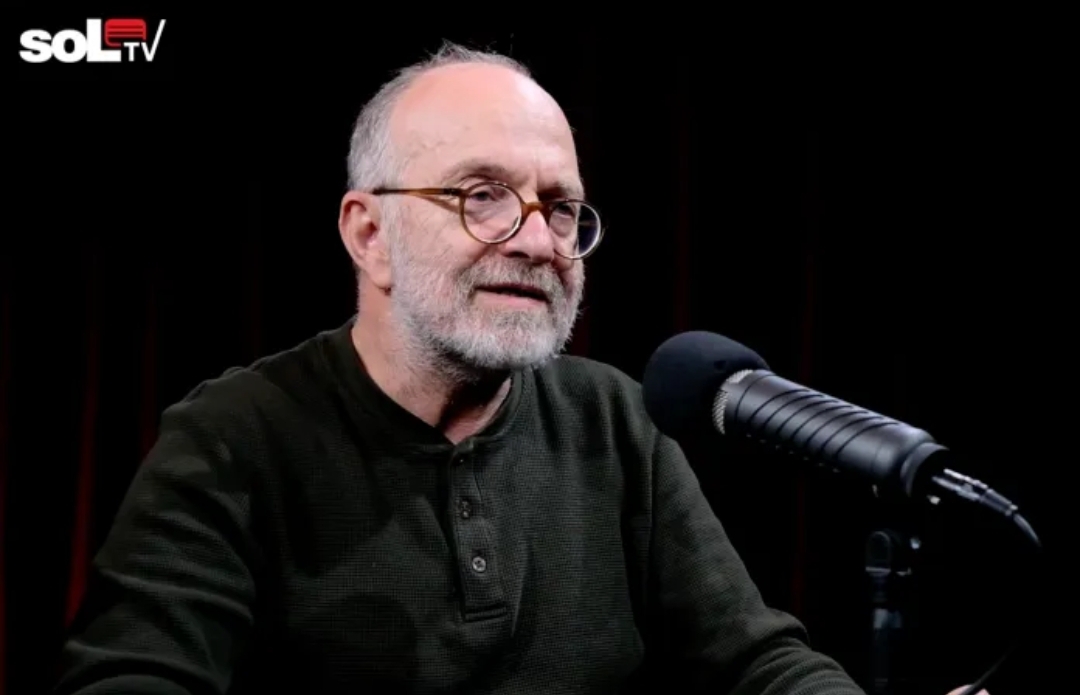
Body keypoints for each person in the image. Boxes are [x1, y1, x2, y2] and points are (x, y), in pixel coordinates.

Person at [52, 42, 985, 695]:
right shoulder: (233, 438)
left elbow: (753, 662)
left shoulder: (614, 419)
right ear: (369, 235)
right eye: (483, 196)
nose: (539, 241)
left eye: (561, 207)